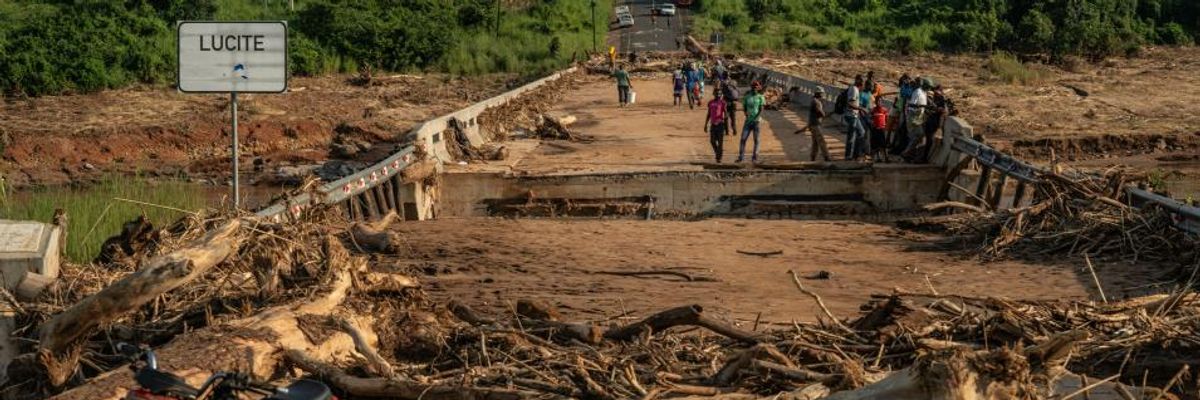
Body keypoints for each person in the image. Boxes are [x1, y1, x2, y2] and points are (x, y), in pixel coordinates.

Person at [795, 87, 830, 161]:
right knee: (821, 142)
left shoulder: (814, 101)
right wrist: (825, 114)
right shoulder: (816, 102)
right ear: (819, 93)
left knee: (815, 142)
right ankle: (826, 157)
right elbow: (820, 113)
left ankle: (813, 157)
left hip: (813, 124)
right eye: (822, 93)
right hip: (815, 125)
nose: (823, 95)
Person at [736, 81, 766, 163]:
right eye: (753, 87)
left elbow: (761, 109)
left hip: (756, 122)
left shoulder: (761, 97)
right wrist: (746, 115)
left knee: (756, 140)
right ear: (751, 87)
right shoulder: (747, 97)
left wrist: (756, 118)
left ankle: (754, 158)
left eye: (756, 87)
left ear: (758, 88)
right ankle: (741, 157)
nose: (754, 88)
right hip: (748, 121)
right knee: (743, 139)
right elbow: (744, 107)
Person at [901, 77, 930, 160]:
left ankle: (910, 156)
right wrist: (923, 106)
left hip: (918, 117)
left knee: (916, 137)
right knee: (919, 135)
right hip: (913, 117)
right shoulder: (917, 92)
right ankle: (906, 153)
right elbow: (911, 105)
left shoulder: (924, 93)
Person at [842, 75, 866, 161]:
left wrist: (860, 110)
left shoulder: (855, 89)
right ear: (857, 80)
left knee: (860, 132)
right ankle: (850, 155)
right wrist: (861, 109)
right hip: (851, 115)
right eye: (862, 80)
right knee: (853, 136)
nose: (863, 82)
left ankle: (855, 154)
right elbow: (850, 104)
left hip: (854, 115)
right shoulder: (854, 89)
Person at [704, 91, 729, 163]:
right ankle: (718, 152)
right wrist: (705, 124)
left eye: (720, 94)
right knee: (712, 141)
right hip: (713, 124)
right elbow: (709, 113)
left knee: (720, 142)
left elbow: (726, 113)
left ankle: (718, 157)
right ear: (714, 94)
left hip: (720, 124)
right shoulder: (710, 102)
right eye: (717, 94)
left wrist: (726, 123)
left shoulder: (723, 102)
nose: (718, 95)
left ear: (721, 95)